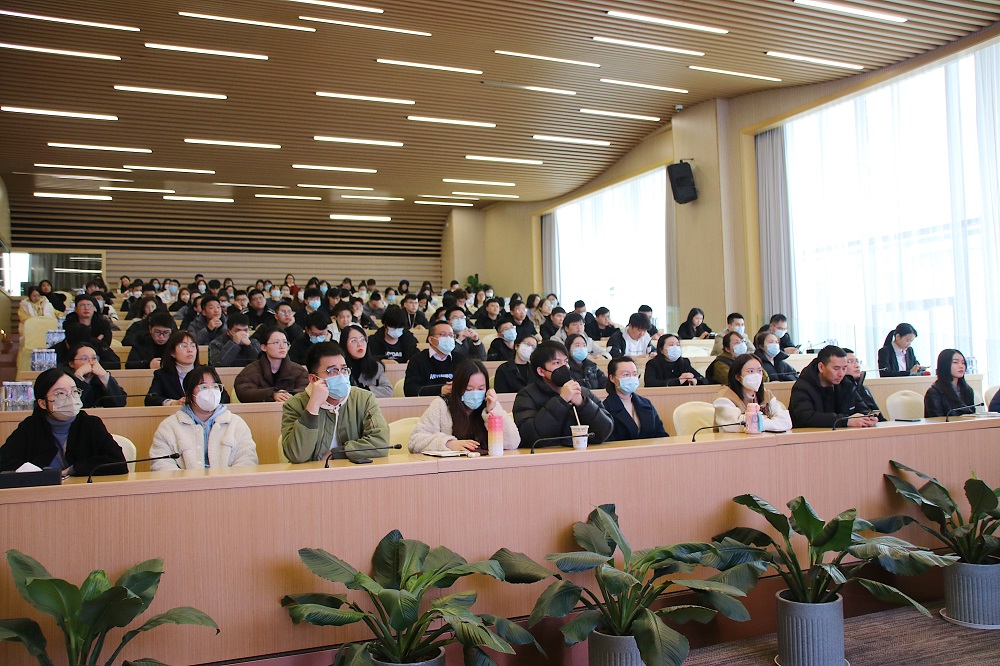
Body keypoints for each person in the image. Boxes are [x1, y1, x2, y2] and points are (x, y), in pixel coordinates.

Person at [0, 368, 127, 476]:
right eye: (60, 393)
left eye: (74, 391)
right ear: (43, 403)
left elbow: (119, 463)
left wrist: (75, 469)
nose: (70, 398)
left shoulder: (90, 424)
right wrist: (38, 472)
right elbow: (4, 461)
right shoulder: (31, 426)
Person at [280, 341, 390, 463]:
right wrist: (313, 406)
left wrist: (338, 452)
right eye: (332, 371)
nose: (341, 376)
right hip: (313, 473)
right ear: (313, 379)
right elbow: (297, 455)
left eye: (344, 369)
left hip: (352, 471)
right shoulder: (294, 405)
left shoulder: (363, 399)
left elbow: (381, 443)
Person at [149, 367, 259, 470]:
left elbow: (247, 460)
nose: (211, 391)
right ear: (189, 394)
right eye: (203, 387)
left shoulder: (236, 423)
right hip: (185, 484)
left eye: (215, 386)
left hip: (228, 483)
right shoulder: (169, 426)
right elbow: (161, 465)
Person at [512, 341, 614, 449]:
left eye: (565, 362)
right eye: (557, 363)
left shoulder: (583, 392)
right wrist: (561, 401)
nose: (564, 367)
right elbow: (529, 436)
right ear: (541, 371)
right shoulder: (526, 396)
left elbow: (605, 430)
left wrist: (582, 404)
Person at [408, 359, 520, 453]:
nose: (475, 394)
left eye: (481, 388)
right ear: (458, 387)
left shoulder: (490, 403)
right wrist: (449, 443)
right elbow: (415, 441)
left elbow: (513, 442)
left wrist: (491, 411)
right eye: (469, 389)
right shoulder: (441, 405)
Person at [789, 345, 876, 428]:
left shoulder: (847, 384)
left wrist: (868, 418)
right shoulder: (802, 387)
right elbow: (806, 417)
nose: (841, 374)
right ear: (821, 367)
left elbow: (863, 410)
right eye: (836, 368)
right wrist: (845, 421)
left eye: (844, 368)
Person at [146, 331, 230, 406]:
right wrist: (172, 403)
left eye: (193, 346)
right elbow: (150, 399)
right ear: (172, 352)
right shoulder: (162, 375)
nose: (190, 350)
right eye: (183, 346)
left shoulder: (207, 371)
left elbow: (225, 398)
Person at [713, 354, 793, 433]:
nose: (756, 375)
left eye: (759, 371)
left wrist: (758, 423)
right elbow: (733, 426)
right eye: (751, 371)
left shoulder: (766, 394)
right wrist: (767, 420)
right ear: (738, 377)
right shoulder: (724, 397)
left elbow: (785, 422)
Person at [234, 327, 309, 403]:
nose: (282, 346)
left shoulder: (299, 371)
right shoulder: (249, 371)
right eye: (276, 342)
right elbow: (244, 393)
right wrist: (272, 395)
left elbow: (307, 390)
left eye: (284, 342)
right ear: (264, 347)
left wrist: (287, 395)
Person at [603, 356, 667, 441]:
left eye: (634, 374)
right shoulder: (605, 408)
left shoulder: (646, 403)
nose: (631, 378)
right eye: (626, 374)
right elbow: (607, 442)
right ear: (612, 378)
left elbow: (661, 434)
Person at [404, 320, 469, 397]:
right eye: (443, 335)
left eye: (451, 335)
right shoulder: (417, 360)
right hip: (426, 402)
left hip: (454, 402)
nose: (448, 338)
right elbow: (410, 390)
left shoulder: (460, 359)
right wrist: (440, 390)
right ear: (431, 339)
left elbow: (469, 385)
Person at [65, 342, 127, 408]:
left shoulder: (102, 378)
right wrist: (78, 377)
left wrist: (104, 377)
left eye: (94, 358)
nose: (90, 362)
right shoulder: (64, 379)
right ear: (71, 363)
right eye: (84, 358)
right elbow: (69, 406)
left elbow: (120, 403)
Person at [340, 324, 392, 398]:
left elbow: (388, 391)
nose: (359, 344)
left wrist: (365, 390)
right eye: (354, 341)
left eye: (362, 339)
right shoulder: (339, 368)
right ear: (344, 344)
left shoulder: (376, 366)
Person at [924, 349, 976, 418]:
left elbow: (972, 416)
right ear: (945, 365)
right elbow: (937, 420)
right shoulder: (934, 393)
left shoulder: (967, 390)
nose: (961, 366)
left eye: (963, 363)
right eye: (955, 362)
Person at [50, 322, 120, 368]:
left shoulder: (97, 344)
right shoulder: (55, 351)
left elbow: (115, 363)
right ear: (66, 343)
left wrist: (91, 364)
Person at [842, 348, 884, 420]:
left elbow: (878, 415)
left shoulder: (863, 388)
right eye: (850, 362)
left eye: (857, 361)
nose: (857, 366)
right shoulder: (841, 390)